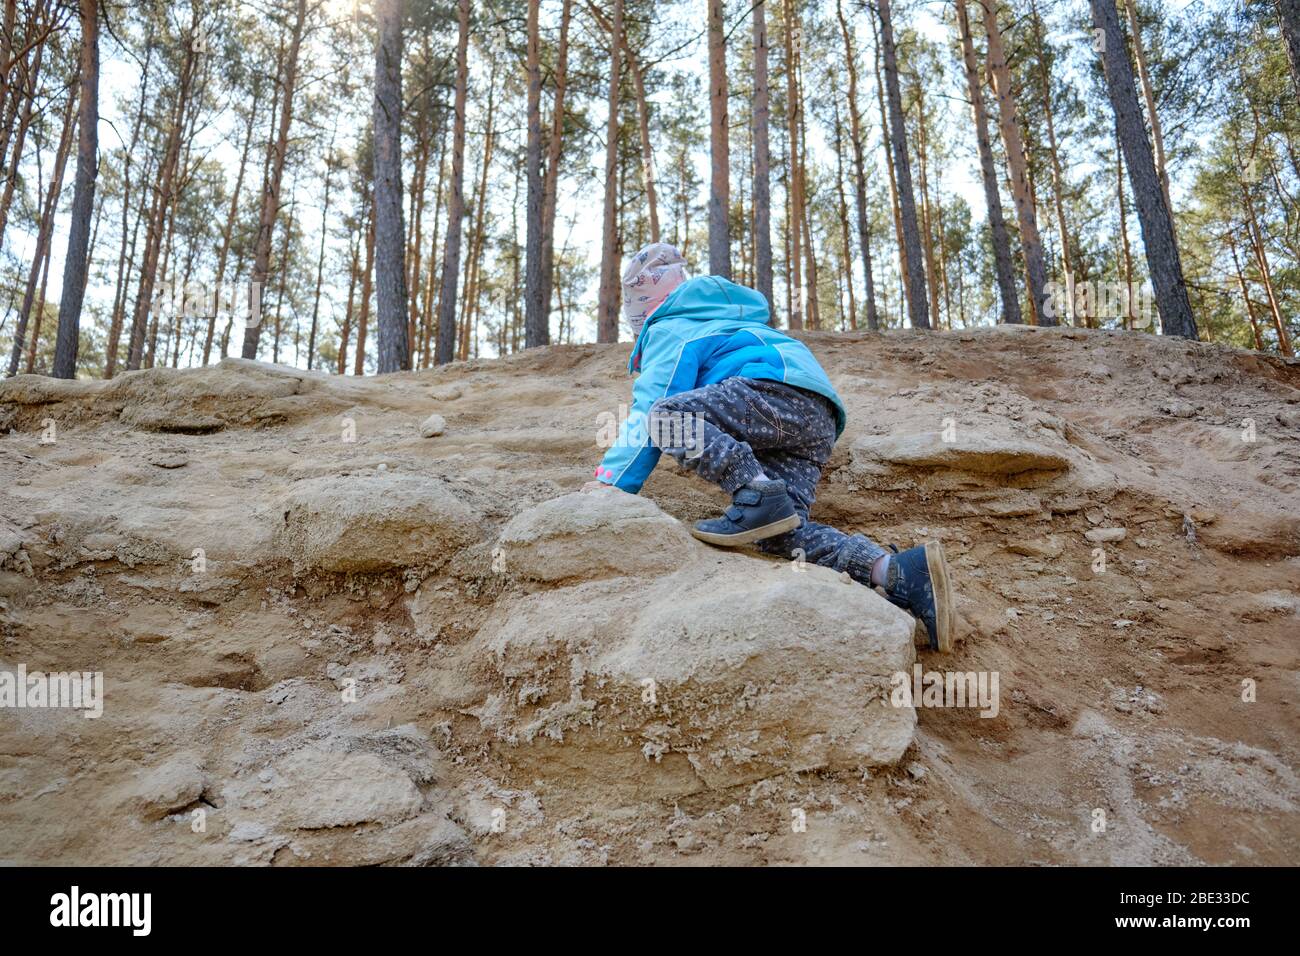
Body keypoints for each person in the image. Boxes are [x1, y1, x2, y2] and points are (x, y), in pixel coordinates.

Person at [582, 242, 956, 652]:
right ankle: (899, 572)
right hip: (817, 417)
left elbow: (653, 402)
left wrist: (612, 484)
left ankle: (754, 489)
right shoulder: (726, 319)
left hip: (772, 392)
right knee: (779, 533)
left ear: (643, 306)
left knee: (663, 418)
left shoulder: (670, 325)